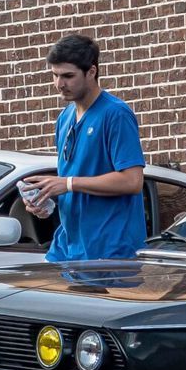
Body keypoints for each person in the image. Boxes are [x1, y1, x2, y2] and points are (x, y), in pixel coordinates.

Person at [22, 34, 146, 262]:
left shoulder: (116, 114)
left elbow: (132, 181)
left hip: (110, 253)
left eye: (68, 76)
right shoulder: (64, 117)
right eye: (55, 75)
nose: (60, 84)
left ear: (91, 71)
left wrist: (67, 184)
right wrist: (46, 201)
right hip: (66, 249)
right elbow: (75, 185)